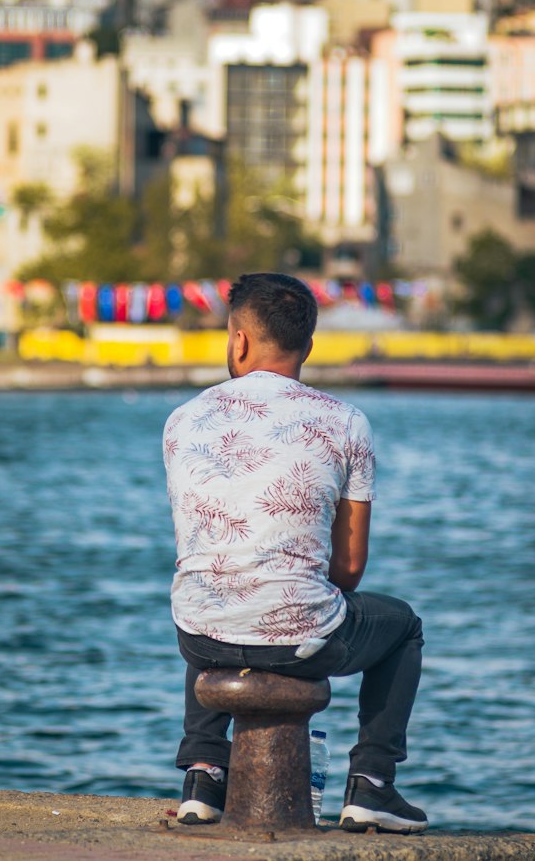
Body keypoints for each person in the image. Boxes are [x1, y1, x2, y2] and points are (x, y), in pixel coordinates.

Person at [163, 272, 427, 834]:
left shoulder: (182, 420)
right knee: (403, 627)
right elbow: (350, 571)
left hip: (198, 636)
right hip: (302, 642)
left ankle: (204, 773)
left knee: (217, 577)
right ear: (308, 346)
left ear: (237, 340)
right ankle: (373, 785)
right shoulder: (346, 422)